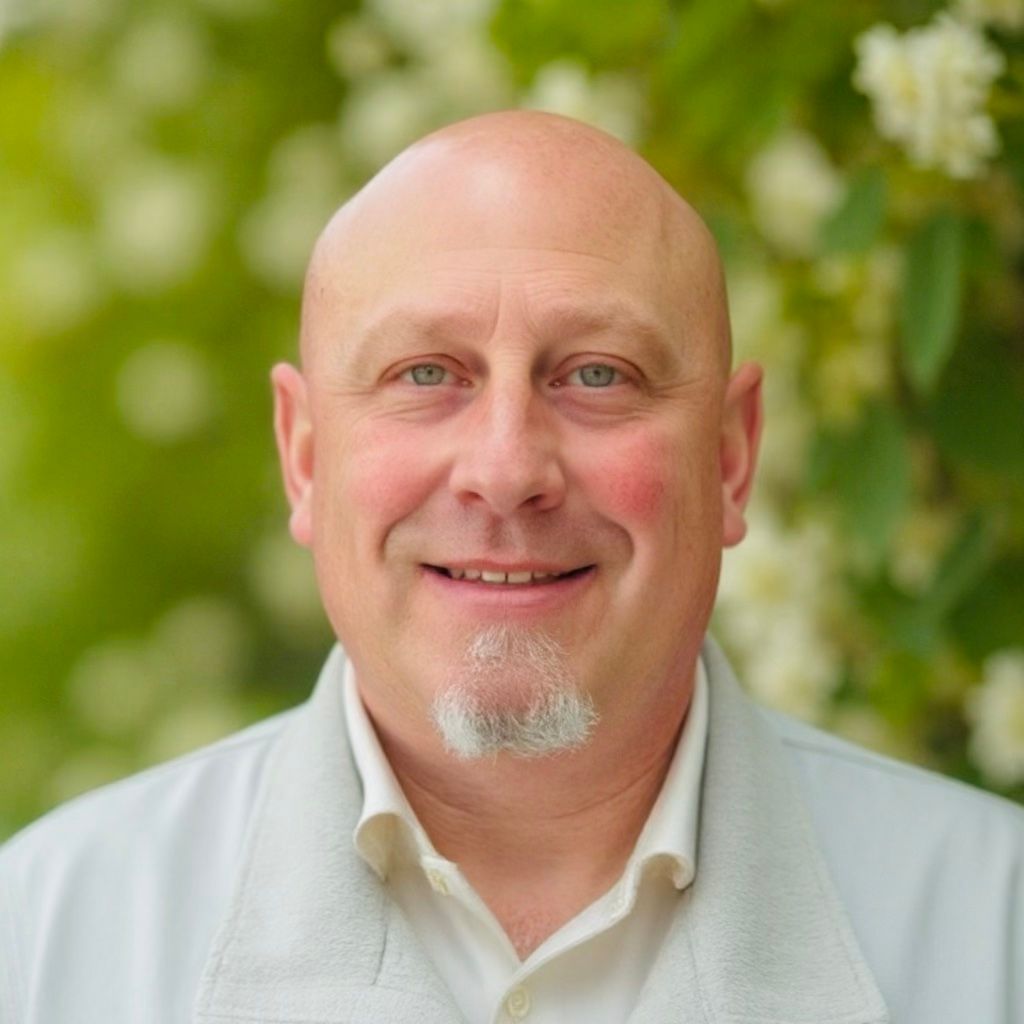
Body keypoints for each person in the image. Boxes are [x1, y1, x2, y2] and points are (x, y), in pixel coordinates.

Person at [1, 111, 1021, 1024]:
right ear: (305, 457)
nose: (505, 470)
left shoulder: (997, 929)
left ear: (728, 457)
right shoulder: (42, 940)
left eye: (596, 374)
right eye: (425, 373)